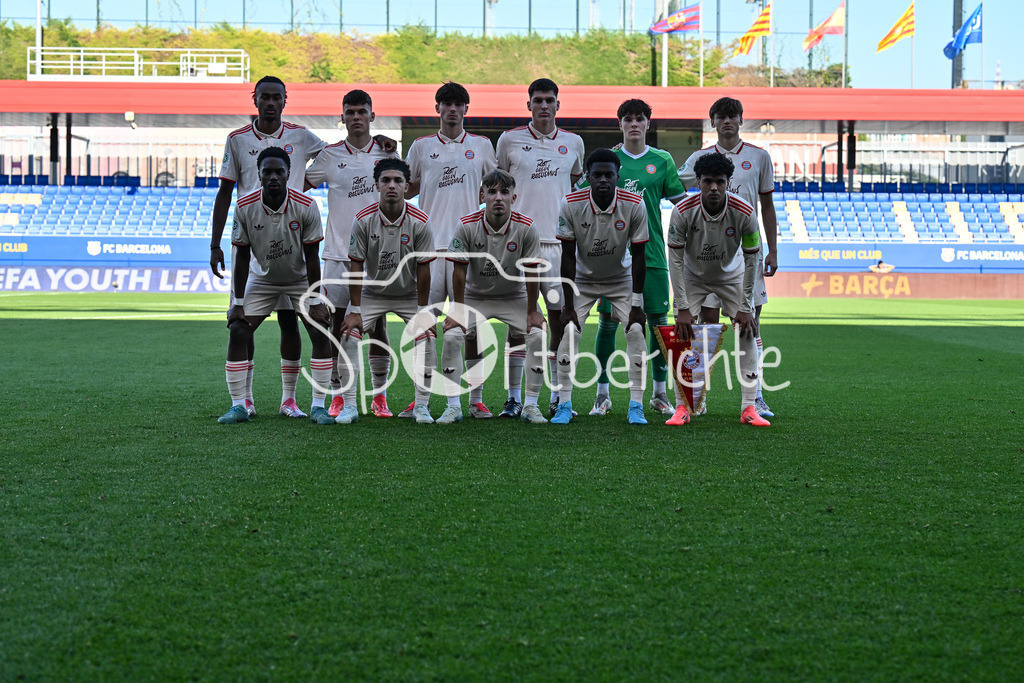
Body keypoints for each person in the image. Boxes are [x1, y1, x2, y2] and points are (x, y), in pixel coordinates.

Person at [209, 75, 326, 420]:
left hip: (290, 242)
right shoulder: (237, 140)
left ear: (285, 101)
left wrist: (375, 145)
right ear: (255, 99)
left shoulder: (301, 135)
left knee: (291, 322)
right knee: (242, 322)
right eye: (265, 97)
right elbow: (225, 192)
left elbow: (334, 155)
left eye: (277, 97)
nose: (271, 102)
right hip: (253, 239)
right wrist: (215, 244)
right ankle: (243, 401)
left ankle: (290, 400)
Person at [582, 99, 687, 419]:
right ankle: (602, 395)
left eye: (640, 119)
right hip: (613, 259)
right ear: (620, 125)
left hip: (652, 254)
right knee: (608, 323)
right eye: (627, 119)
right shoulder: (610, 162)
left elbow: (681, 205)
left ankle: (658, 394)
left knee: (657, 323)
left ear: (647, 124)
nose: (634, 124)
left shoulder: (662, 159)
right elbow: (582, 195)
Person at [217, 146, 334, 425]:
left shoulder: (306, 206)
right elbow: (242, 255)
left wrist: (316, 301)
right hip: (262, 279)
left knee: (320, 330)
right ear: (258, 174)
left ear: (289, 174)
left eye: (279, 172)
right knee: (238, 329)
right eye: (267, 172)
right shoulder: (245, 207)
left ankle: (318, 406)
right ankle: (239, 406)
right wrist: (239, 303)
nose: (273, 177)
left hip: (300, 280)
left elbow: (312, 257)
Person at [678, 96, 778, 418]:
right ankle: (699, 394)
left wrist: (772, 249)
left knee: (751, 322)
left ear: (741, 120)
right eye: (720, 116)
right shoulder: (699, 157)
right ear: (713, 122)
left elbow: (767, 206)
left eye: (732, 116)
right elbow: (674, 185)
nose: (727, 121)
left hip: (744, 250)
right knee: (706, 326)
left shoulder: (759, 157)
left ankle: (756, 396)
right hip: (704, 253)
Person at [404, 81, 497, 418]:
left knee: (467, 327)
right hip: (429, 248)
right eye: (446, 103)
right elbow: (407, 187)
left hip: (468, 249)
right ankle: (422, 396)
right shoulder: (420, 146)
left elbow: (495, 189)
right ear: (438, 108)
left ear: (466, 110)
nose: (452, 109)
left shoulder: (483, 145)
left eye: (459, 104)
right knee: (425, 325)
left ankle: (474, 399)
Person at [304, 89, 398, 419]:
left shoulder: (386, 157)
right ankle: (339, 394)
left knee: (378, 326)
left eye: (362, 111)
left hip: (377, 257)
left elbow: (402, 188)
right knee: (334, 325)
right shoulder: (329, 156)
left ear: (373, 116)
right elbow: (300, 185)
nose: (356, 116)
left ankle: (380, 395)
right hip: (337, 255)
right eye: (350, 112)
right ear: (341, 117)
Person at [496, 78, 585, 416]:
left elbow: (574, 184)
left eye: (550, 100)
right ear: (528, 105)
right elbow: (499, 185)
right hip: (518, 245)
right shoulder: (509, 140)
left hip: (559, 245)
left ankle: (559, 396)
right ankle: (515, 398)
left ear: (558, 105)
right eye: (538, 100)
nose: (544, 106)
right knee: (518, 322)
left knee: (560, 320)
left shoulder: (574, 142)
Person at [436, 169, 548, 425]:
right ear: (481, 195)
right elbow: (459, 272)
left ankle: (530, 405)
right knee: (452, 336)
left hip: (513, 295)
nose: (498, 197)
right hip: (477, 296)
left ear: (514, 197)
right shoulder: (466, 224)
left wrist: (532, 310)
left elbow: (532, 271)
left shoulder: (526, 226)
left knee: (538, 334)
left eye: (504, 192)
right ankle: (454, 406)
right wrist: (459, 309)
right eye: (492, 192)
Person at [666, 152, 770, 428]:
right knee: (683, 333)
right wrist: (683, 306)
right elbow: (674, 260)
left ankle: (749, 407)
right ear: (698, 182)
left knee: (749, 329)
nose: (714, 188)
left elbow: (752, 260)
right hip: (693, 276)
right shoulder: (682, 211)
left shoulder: (745, 212)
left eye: (720, 182)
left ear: (728, 182)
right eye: (708, 182)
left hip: (731, 276)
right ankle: (682, 407)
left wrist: (746, 307)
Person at [552, 149, 649, 426]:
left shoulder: (634, 204)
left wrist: (637, 304)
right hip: (582, 279)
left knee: (635, 331)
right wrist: (568, 306)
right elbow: (567, 255)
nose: (603, 180)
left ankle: (636, 405)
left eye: (609, 175)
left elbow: (640, 255)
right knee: (569, 331)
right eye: (597, 175)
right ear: (587, 176)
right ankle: (565, 404)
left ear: (618, 176)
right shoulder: (570, 203)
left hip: (620, 279)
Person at [337, 159, 436, 425]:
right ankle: (348, 406)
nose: (391, 185)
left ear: (407, 187)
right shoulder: (362, 219)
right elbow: (355, 266)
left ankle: (422, 406)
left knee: (427, 337)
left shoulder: (421, 221)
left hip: (409, 294)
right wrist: (355, 310)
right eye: (386, 180)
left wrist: (422, 311)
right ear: (377, 185)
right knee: (348, 334)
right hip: (373, 293)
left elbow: (424, 269)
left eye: (397, 181)